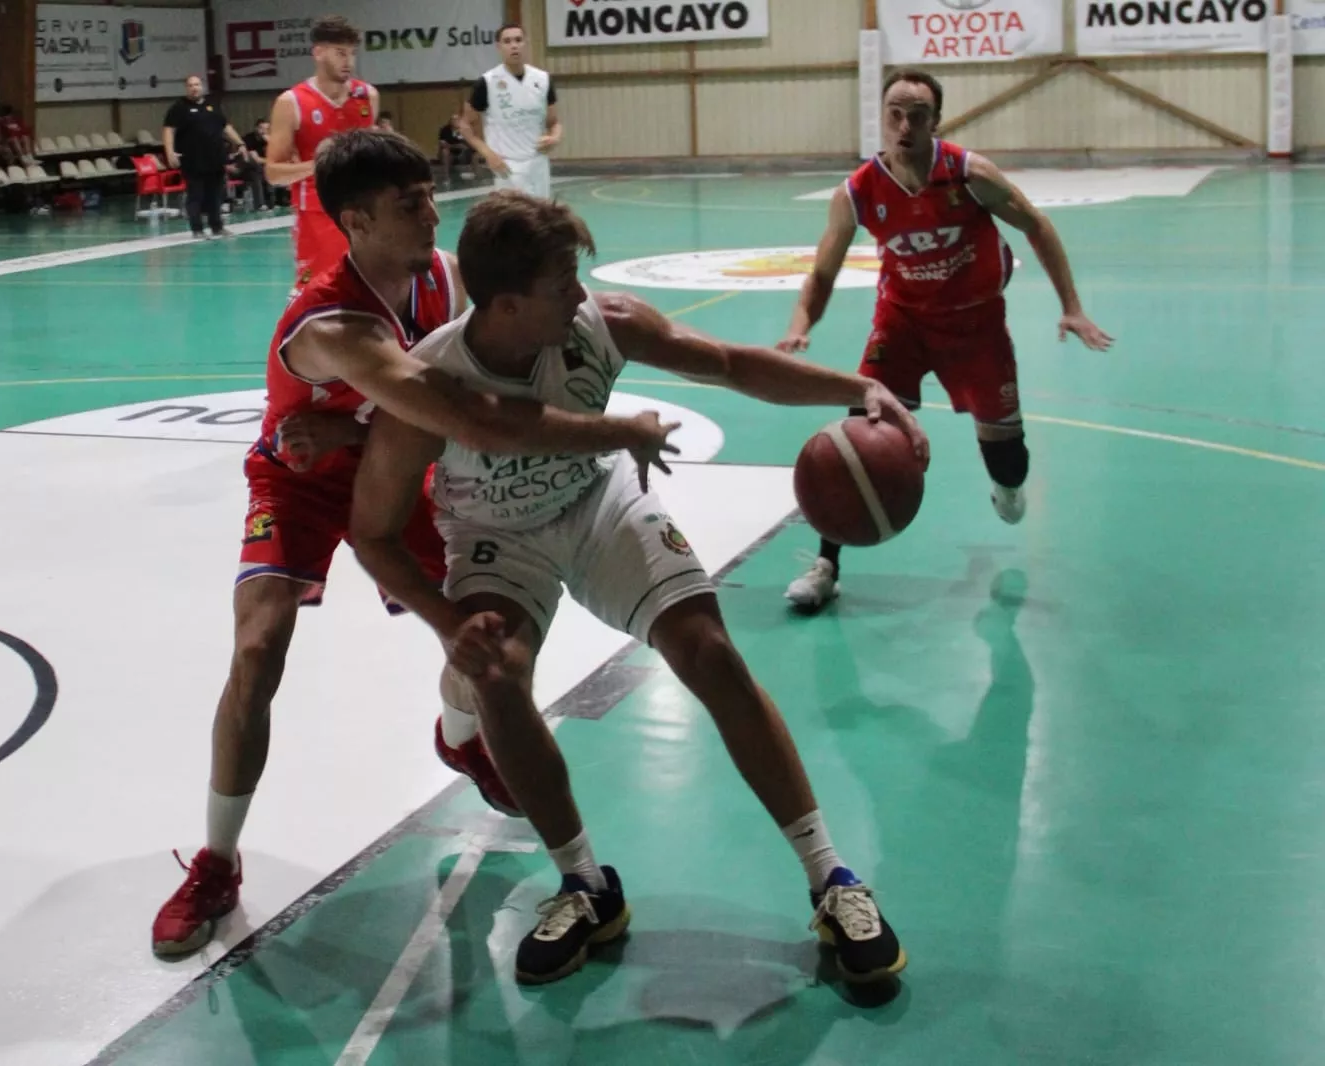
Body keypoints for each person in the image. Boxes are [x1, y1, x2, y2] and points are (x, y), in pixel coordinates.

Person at [348, 190, 927, 986]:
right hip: (495, 536)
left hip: (595, 501)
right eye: (561, 284)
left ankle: (830, 877)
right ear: (508, 303)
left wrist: (852, 389)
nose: (579, 295)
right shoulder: (429, 387)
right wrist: (446, 620)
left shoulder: (600, 323)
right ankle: (585, 885)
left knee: (709, 651)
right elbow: (371, 532)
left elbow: (728, 364)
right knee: (494, 671)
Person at [149, 130, 680, 960]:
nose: (432, 211)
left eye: (430, 193)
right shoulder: (332, 321)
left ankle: (457, 733)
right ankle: (215, 862)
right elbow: (460, 413)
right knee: (257, 649)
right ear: (355, 221)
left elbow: (467, 376)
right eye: (409, 204)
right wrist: (619, 429)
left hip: (388, 467)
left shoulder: (442, 275)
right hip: (297, 482)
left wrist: (347, 421)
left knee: (484, 635)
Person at [779, 69, 1113, 611]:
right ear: (882, 117)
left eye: (917, 114)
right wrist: (800, 325)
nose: (904, 123)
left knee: (1009, 464)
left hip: (976, 325)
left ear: (936, 121)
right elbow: (822, 273)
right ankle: (826, 566)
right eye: (894, 112)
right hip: (902, 323)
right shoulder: (859, 192)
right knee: (855, 439)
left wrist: (1071, 307)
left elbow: (1037, 225)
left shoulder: (968, 174)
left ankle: (1006, 486)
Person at [265, 15, 377, 287]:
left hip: (365, 211)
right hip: (317, 215)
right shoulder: (292, 102)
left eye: (352, 53)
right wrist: (324, 163)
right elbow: (273, 173)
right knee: (317, 297)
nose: (348, 61)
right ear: (318, 52)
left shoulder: (367, 96)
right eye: (340, 53)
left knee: (370, 292)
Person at [460, 22, 560, 199]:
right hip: (506, 166)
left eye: (518, 40)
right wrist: (488, 154)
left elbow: (554, 123)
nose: (514, 45)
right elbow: (465, 125)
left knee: (542, 221)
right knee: (513, 221)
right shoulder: (487, 82)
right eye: (507, 41)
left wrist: (555, 137)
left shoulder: (542, 79)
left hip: (538, 164)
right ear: (499, 47)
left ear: (525, 44)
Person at [163, 74, 246, 240]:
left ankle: (217, 227)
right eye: (191, 85)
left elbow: (226, 127)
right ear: (186, 88)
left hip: (215, 158)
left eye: (197, 85)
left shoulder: (212, 105)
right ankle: (197, 229)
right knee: (196, 195)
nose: (194, 88)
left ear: (202, 87)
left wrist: (241, 143)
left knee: (215, 194)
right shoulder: (179, 107)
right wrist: (169, 151)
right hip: (192, 159)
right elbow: (168, 130)